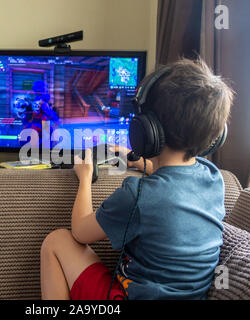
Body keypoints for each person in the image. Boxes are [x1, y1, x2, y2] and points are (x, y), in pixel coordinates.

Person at [40, 58, 233, 300]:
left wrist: (85, 177)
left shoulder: (138, 195)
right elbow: (176, 184)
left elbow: (80, 232)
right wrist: (138, 161)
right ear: (215, 136)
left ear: (145, 130)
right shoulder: (214, 178)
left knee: (56, 241)